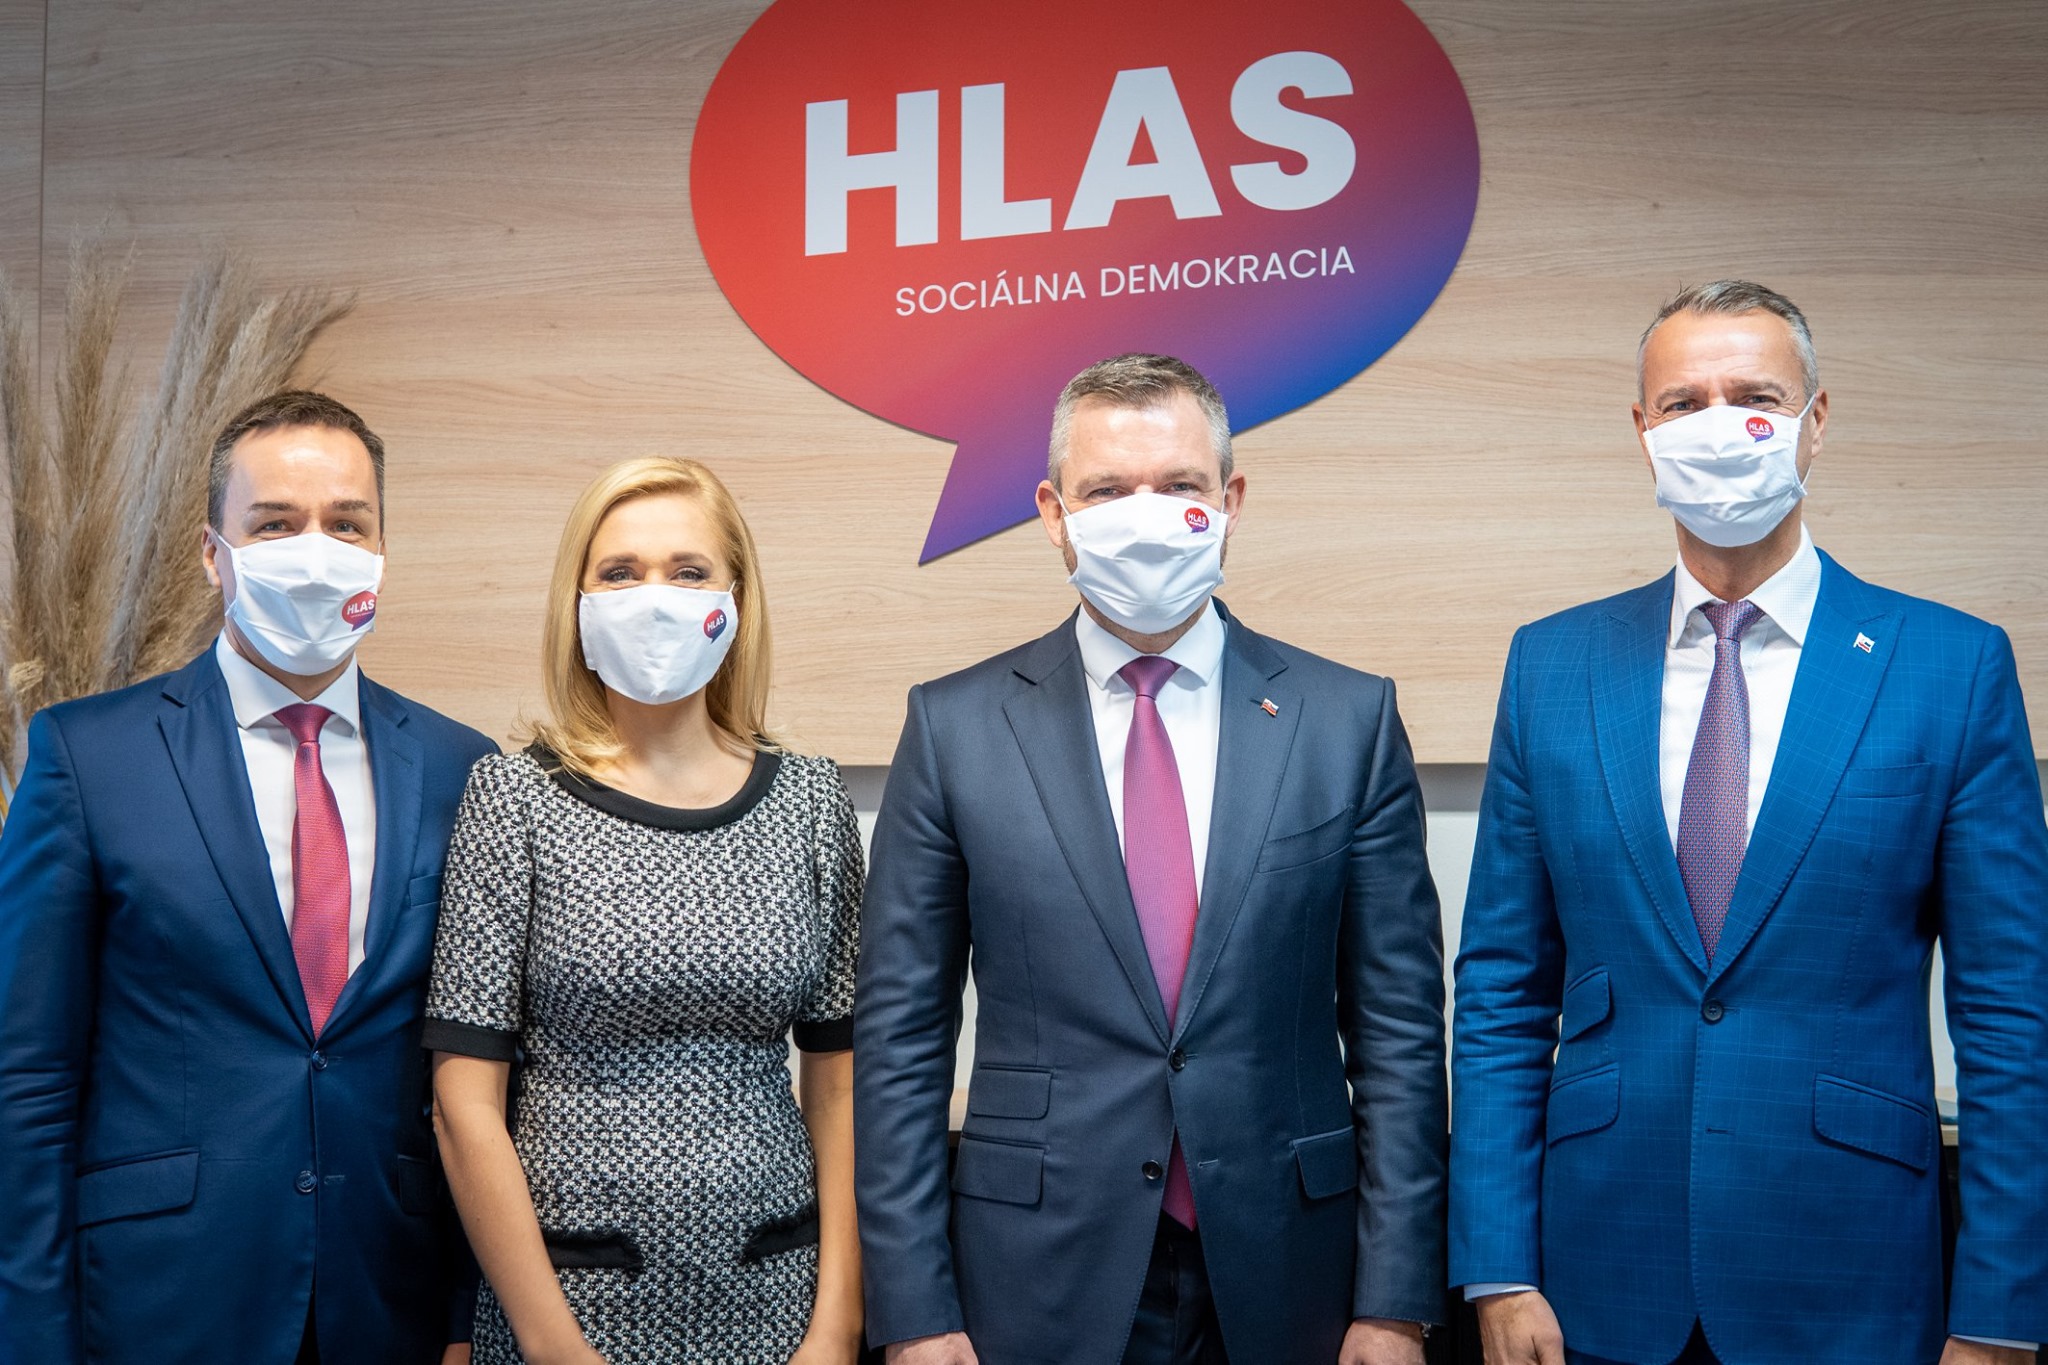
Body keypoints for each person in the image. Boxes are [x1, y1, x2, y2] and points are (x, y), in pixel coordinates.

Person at [1450, 281, 2048, 1364]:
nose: (1719, 427)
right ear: (1642, 431)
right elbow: (1501, 989)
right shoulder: (1551, 665)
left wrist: (1999, 1313)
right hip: (1594, 1279)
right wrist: (1497, 1266)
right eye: (1683, 403)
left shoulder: (1950, 668)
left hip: (1849, 1275)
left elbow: (2009, 1013)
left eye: (1755, 397)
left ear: (1816, 421)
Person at [854, 354, 1448, 1365]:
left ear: (1230, 501)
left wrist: (1394, 1302)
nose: (1144, 517)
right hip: (1036, 1271)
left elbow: (1397, 1033)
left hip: (1290, 1266)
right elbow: (901, 1042)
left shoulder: (1347, 720)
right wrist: (913, 1312)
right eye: (1105, 491)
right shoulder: (953, 728)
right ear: (1053, 513)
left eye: (1177, 486)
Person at [0, 391, 494, 1364]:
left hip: (388, 1296)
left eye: (345, 524)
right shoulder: (89, 755)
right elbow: (30, 1078)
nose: (315, 552)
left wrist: (465, 1314)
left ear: (380, 552)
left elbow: (476, 1071)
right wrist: (32, 1340)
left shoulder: (462, 769)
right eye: (274, 524)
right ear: (210, 552)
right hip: (162, 1300)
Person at [424, 456, 864, 1365]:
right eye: (620, 572)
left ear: (735, 601)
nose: (654, 597)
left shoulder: (813, 801)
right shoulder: (511, 799)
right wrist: (556, 1350)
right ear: (578, 603)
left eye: (688, 571)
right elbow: (463, 1106)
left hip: (777, 1293)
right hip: (567, 1301)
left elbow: (840, 1085)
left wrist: (838, 1324)